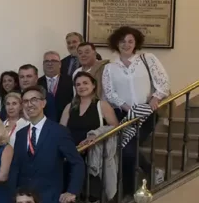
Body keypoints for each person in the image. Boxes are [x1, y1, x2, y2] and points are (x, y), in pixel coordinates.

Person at [102, 26, 170, 190]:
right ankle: (146, 175)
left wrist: (155, 98)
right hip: (122, 114)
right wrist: (126, 108)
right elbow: (110, 92)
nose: (126, 44)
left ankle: (130, 189)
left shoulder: (148, 59)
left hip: (146, 113)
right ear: (116, 43)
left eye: (130, 41)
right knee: (125, 149)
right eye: (122, 41)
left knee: (128, 149)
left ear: (136, 43)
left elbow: (163, 81)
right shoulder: (110, 67)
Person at [8, 86, 85, 203]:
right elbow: (15, 167)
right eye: (25, 101)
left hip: (48, 200)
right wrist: (12, 199)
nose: (29, 104)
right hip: (23, 202)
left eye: (34, 100)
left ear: (43, 103)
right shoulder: (20, 134)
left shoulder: (58, 131)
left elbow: (77, 162)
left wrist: (72, 191)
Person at [61, 73, 118, 147]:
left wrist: (96, 135)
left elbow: (115, 127)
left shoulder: (102, 105)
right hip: (72, 152)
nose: (81, 87)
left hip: (95, 152)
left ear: (93, 85)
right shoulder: (69, 107)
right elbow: (61, 131)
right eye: (78, 85)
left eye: (85, 83)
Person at [39, 51, 73, 120]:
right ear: (43, 64)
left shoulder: (70, 81)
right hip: (44, 121)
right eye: (47, 61)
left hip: (65, 120)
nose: (50, 63)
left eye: (53, 61)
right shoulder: (38, 82)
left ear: (60, 64)